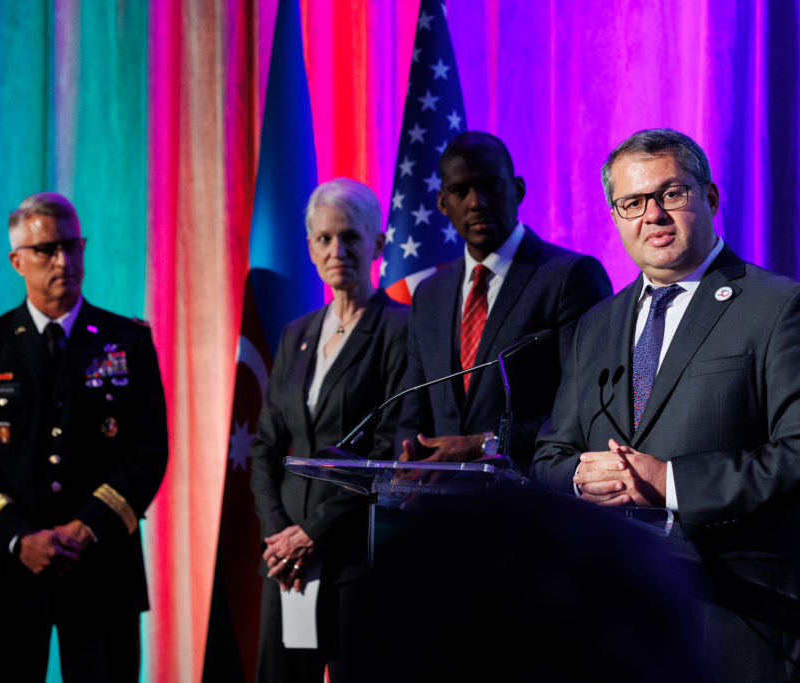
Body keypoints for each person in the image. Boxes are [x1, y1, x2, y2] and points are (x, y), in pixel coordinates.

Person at [531, 128, 800, 681]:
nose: (653, 215)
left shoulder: (781, 308)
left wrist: (672, 482)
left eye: (671, 193)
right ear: (616, 217)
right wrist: (582, 478)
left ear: (710, 197)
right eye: (633, 202)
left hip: (739, 624)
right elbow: (549, 457)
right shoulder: (597, 325)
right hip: (616, 624)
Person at [0, 192, 168, 682]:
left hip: (100, 569)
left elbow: (147, 452)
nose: (63, 261)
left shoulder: (127, 341)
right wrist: (19, 538)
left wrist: (85, 529)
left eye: (72, 246)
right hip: (8, 573)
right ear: (17, 261)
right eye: (47, 250)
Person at [249, 178, 409, 682]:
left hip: (353, 558)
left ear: (377, 245)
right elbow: (266, 448)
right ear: (310, 248)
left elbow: (385, 451)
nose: (336, 250)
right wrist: (280, 535)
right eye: (324, 238)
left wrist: (312, 535)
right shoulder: (295, 333)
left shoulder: (401, 328)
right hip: (287, 561)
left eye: (350, 237)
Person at [396, 130, 612, 474]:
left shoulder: (570, 276)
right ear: (442, 203)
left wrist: (488, 443)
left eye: (490, 186)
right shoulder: (429, 293)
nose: (476, 202)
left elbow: (585, 404)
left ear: (518, 190)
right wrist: (408, 458)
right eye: (460, 191)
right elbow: (413, 409)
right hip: (439, 499)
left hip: (528, 493)